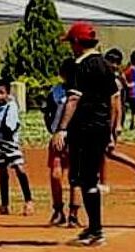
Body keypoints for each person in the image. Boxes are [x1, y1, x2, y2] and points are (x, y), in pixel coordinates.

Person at [51, 22, 118, 247]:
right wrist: (111, 129)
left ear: (78, 43)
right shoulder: (106, 65)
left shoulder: (81, 66)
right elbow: (113, 100)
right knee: (87, 176)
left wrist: (61, 129)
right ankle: (93, 227)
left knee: (85, 178)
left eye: (71, 42)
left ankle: (96, 231)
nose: (71, 47)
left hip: (85, 129)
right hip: (100, 128)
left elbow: (73, 99)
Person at [102, 48, 135, 191]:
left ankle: (103, 183)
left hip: (112, 120)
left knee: (105, 151)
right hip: (108, 120)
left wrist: (116, 125)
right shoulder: (111, 78)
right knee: (106, 152)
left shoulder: (115, 81)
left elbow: (116, 106)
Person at [0, 79, 33, 216]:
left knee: (19, 169)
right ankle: (4, 205)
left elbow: (9, 126)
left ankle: (28, 201)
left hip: (11, 144)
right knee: (2, 173)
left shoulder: (11, 106)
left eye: (2, 93)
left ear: (7, 93)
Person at [44, 58, 82, 228]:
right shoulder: (59, 92)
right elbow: (48, 113)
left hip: (69, 135)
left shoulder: (71, 91)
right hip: (66, 135)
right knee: (63, 174)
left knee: (69, 174)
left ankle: (67, 212)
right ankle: (64, 212)